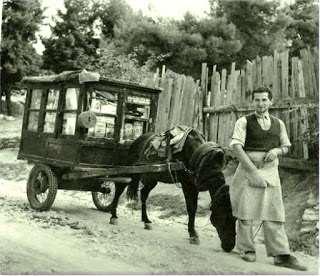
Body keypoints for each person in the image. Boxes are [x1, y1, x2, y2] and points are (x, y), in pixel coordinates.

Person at [229, 87, 307, 271]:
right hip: (249, 169)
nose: (260, 104)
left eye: (264, 100)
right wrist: (252, 172)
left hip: (271, 171)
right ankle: (246, 249)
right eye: (257, 100)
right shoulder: (244, 122)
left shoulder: (278, 123)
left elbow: (286, 146)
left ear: (270, 102)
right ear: (252, 102)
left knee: (275, 212)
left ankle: (281, 254)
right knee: (246, 211)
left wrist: (277, 151)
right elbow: (236, 147)